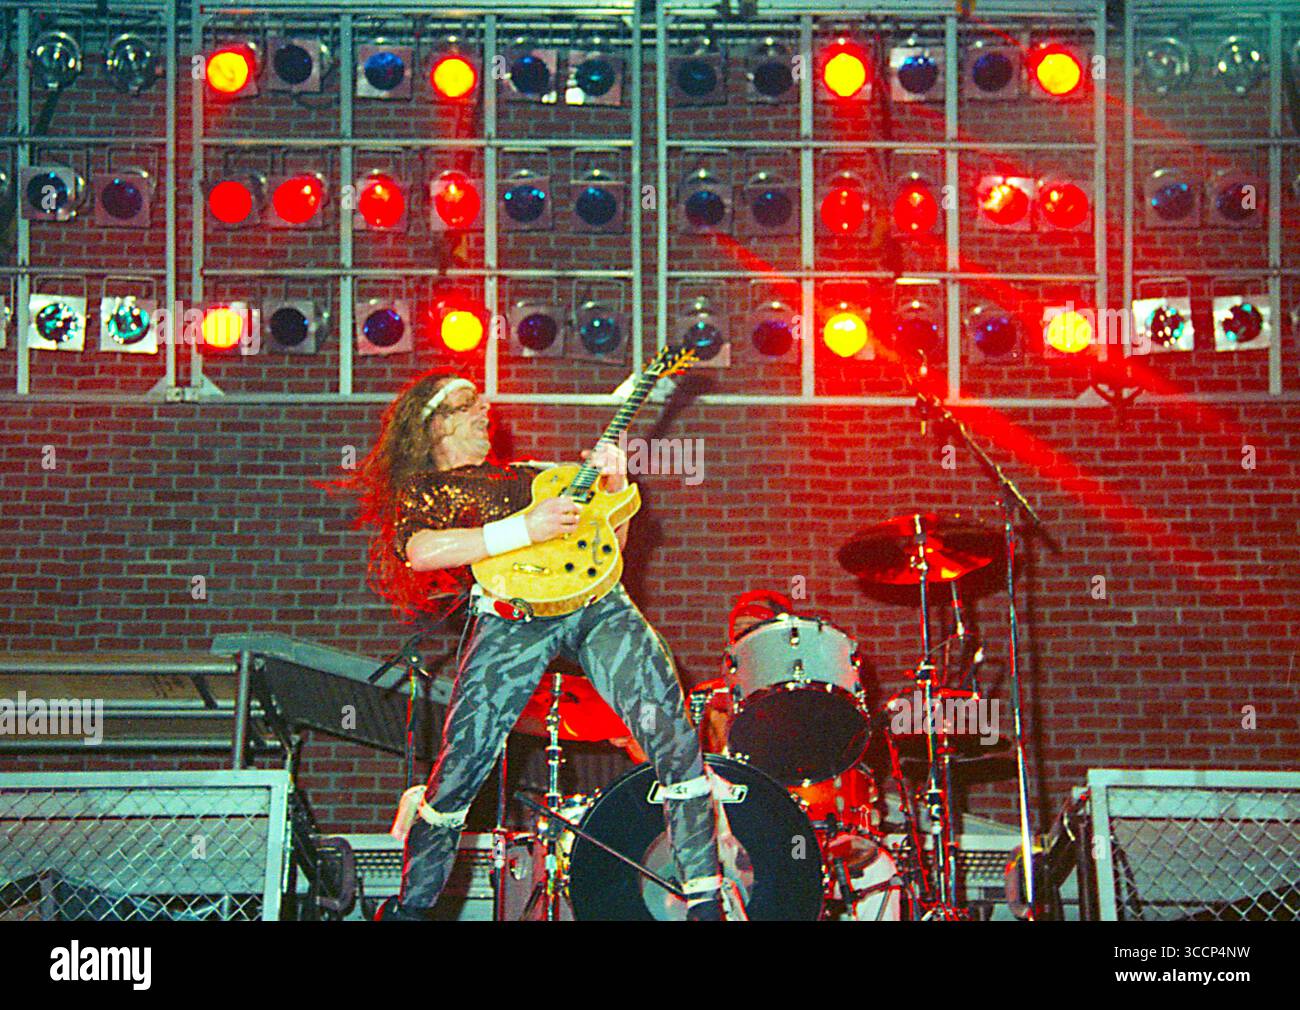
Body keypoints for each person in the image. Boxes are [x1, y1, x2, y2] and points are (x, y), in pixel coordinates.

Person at [322, 367, 728, 920]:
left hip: (597, 605)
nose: (484, 411)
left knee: (673, 737)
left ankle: (704, 897)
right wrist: (526, 531)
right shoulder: (428, 491)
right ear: (434, 426)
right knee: (460, 768)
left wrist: (614, 487)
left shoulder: (532, 474)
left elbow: (609, 547)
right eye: (468, 405)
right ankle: (410, 909)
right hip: (512, 617)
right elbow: (422, 552)